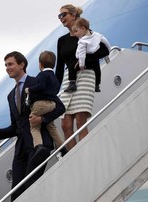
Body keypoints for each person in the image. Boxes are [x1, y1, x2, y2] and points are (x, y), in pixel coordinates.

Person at [0, 51, 65, 202]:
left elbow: (59, 107)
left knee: (30, 189)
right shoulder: (10, 95)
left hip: (39, 146)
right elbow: (16, 127)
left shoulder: (37, 83)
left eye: (10, 64)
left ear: (22, 64)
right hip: (21, 149)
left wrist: (42, 119)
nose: (7, 68)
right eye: (6, 65)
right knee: (16, 195)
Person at [55, 4, 109, 151]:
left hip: (86, 75)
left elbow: (104, 51)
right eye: (59, 16)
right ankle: (74, 157)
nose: (61, 18)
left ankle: (86, 154)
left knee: (80, 121)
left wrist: (83, 62)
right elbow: (59, 67)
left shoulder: (87, 34)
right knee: (65, 124)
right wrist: (52, 91)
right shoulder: (62, 40)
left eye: (63, 14)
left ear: (73, 15)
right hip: (68, 78)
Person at [24, 51, 65, 157]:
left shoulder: (42, 75)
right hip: (52, 104)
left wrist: (29, 90)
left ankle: (39, 146)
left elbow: (40, 86)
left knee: (34, 126)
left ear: (40, 64)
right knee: (51, 126)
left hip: (40, 105)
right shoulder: (54, 78)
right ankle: (62, 147)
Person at [64, 17, 111, 93]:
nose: (75, 34)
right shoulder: (96, 34)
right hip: (94, 56)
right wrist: (109, 49)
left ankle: (72, 83)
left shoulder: (82, 41)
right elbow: (105, 41)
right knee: (97, 69)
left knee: (71, 66)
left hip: (85, 58)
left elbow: (82, 53)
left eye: (76, 31)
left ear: (82, 28)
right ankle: (97, 85)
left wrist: (81, 64)